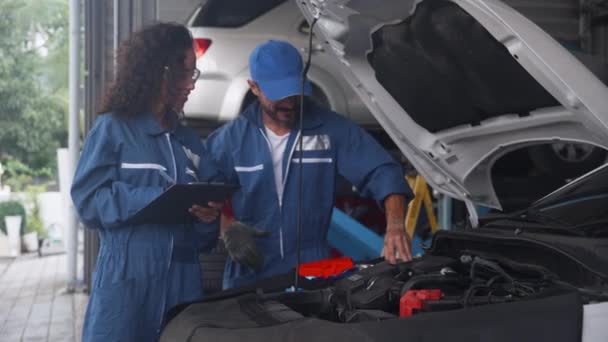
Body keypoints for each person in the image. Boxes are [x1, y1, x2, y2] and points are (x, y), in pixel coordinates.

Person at [204, 40, 414, 289]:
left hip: (312, 272)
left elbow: (383, 171)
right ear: (254, 87)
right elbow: (200, 198)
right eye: (278, 95)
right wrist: (227, 229)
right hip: (249, 273)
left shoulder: (330, 131)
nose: (290, 103)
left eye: (294, 92)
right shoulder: (228, 141)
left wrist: (396, 225)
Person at [71, 23, 223, 341]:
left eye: (193, 75)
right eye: (185, 74)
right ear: (159, 73)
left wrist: (208, 220)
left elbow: (203, 239)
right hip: (125, 286)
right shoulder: (113, 130)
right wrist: (156, 197)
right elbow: (88, 201)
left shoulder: (191, 145)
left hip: (182, 285)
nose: (191, 86)